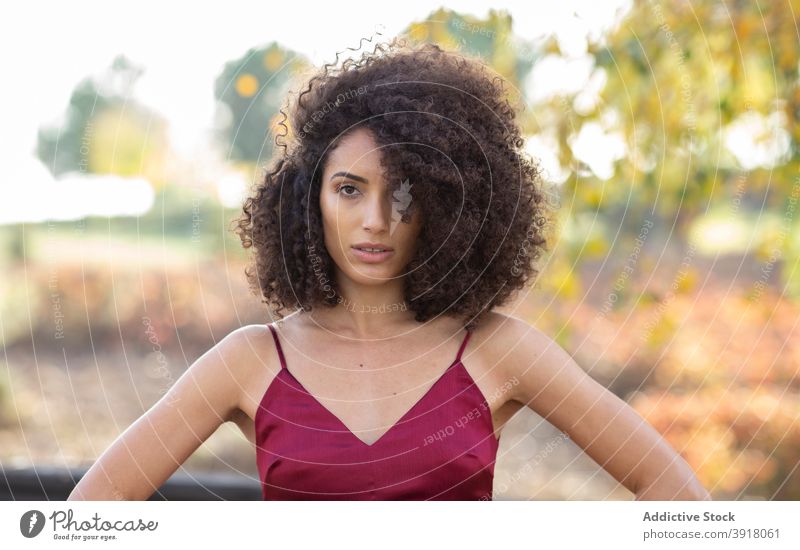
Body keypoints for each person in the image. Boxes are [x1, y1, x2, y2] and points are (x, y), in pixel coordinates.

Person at [68, 37, 711, 501]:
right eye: (349, 189)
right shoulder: (250, 361)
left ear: (445, 204)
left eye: (404, 192)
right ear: (309, 198)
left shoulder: (497, 350)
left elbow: (673, 490)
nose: (376, 220)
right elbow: (91, 515)